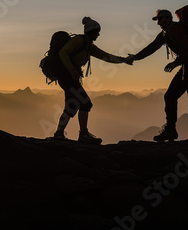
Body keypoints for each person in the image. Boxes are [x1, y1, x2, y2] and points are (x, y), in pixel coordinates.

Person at [126, 9, 188, 141]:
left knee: (186, 98)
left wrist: (175, 63)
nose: (158, 23)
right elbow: (152, 47)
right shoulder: (165, 34)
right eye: (157, 20)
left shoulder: (175, 30)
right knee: (176, 97)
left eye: (160, 19)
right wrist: (135, 57)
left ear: (168, 18)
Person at [53, 16, 132, 144]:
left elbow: (106, 56)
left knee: (71, 105)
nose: (99, 34)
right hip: (67, 76)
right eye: (97, 32)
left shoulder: (89, 46)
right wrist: (72, 69)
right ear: (92, 31)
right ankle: (83, 135)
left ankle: (59, 134)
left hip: (69, 77)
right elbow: (63, 53)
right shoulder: (79, 40)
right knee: (85, 103)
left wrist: (124, 60)